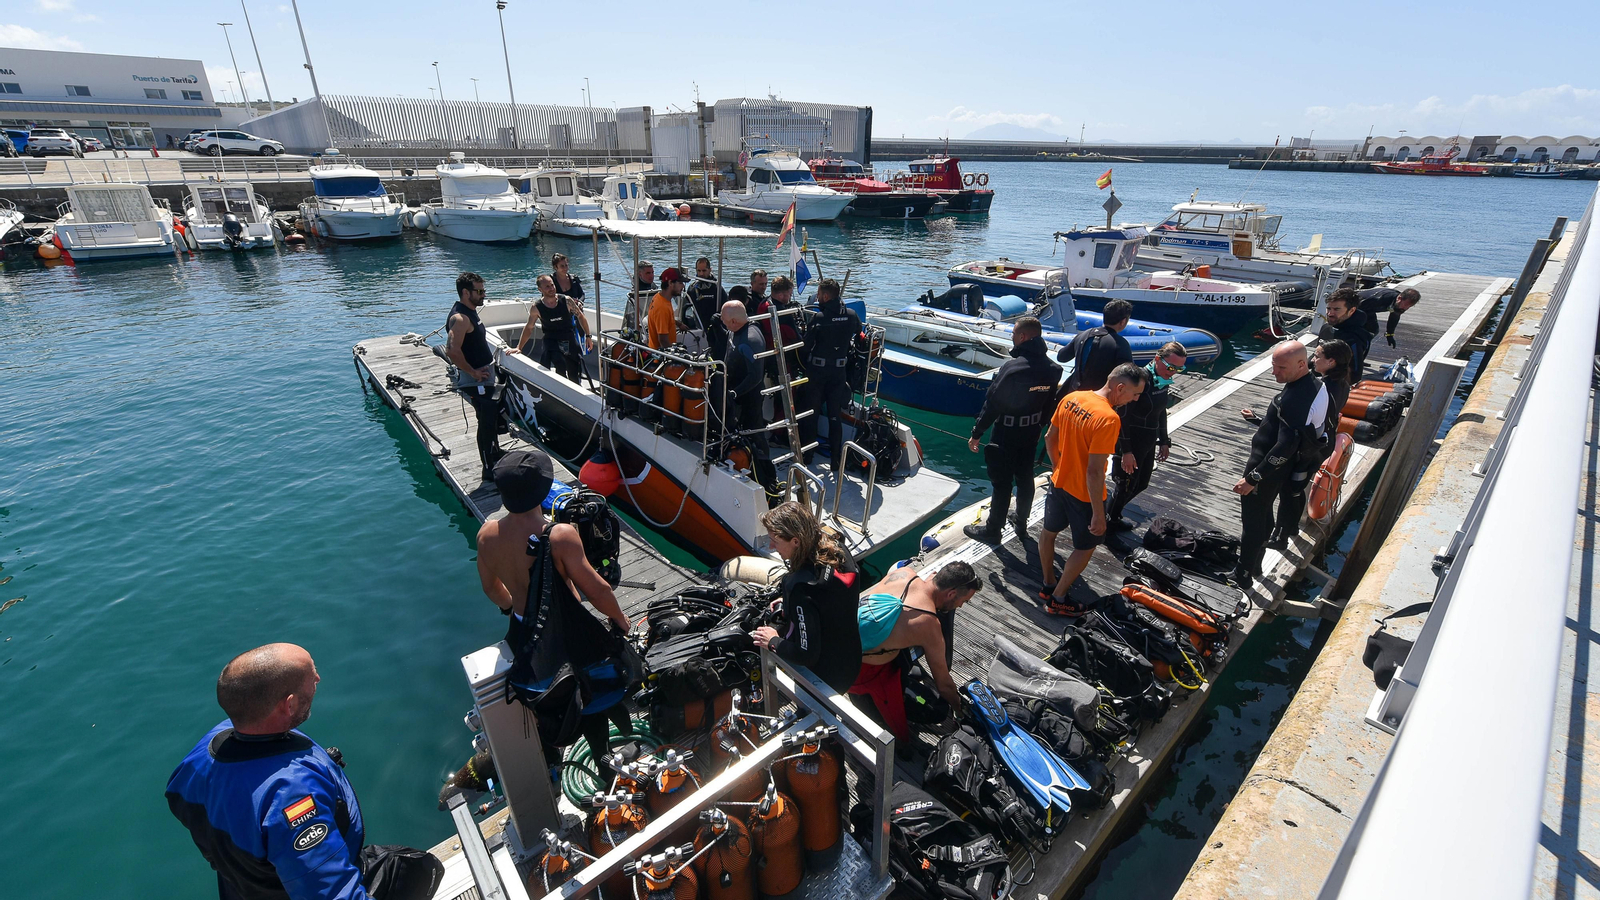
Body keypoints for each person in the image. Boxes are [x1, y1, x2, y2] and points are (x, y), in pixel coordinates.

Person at [166, 644, 441, 900]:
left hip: (244, 887)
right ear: (288, 705)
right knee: (422, 869)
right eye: (312, 677)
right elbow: (332, 893)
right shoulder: (292, 797)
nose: (318, 680)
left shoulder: (200, 757)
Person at [476, 450, 633, 779]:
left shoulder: (487, 535)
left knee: (541, 695)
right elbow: (597, 590)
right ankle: (603, 757)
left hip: (523, 632)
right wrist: (619, 619)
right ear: (543, 490)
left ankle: (551, 760)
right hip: (566, 632)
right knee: (587, 690)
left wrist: (511, 606)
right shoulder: (559, 534)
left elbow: (491, 588)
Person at [1038, 362, 1147, 615]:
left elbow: (1049, 438)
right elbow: (1095, 471)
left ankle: (1047, 583)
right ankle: (1058, 598)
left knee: (1048, 532)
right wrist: (1099, 514)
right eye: (1134, 394)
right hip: (1084, 495)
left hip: (1058, 483)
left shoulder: (1072, 397)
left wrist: (1058, 469)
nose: (1134, 400)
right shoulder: (1108, 419)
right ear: (1120, 388)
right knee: (1085, 546)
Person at [1231, 341, 1330, 584]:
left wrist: (1253, 478)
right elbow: (1302, 431)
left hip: (1266, 467)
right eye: (1273, 366)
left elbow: (1286, 445)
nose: (1275, 372)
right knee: (1264, 514)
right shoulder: (1317, 387)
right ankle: (1256, 567)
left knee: (1252, 521)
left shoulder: (1295, 398)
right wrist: (1260, 421)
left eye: (1281, 368)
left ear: (1300, 364)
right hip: (1282, 467)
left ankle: (1242, 575)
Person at [851, 562, 980, 741]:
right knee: (938, 713)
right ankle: (902, 742)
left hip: (847, 642)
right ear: (951, 594)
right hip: (864, 671)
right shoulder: (929, 625)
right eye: (963, 601)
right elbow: (944, 685)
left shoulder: (904, 573)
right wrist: (959, 709)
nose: (960, 606)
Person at [963, 316, 1062, 542]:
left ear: (1023, 337)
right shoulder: (1053, 369)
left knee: (1002, 483)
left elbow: (993, 405)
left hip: (1006, 434)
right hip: (1031, 433)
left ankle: (993, 530)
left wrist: (976, 434)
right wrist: (1039, 425)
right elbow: (1049, 404)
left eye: (1014, 334)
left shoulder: (1012, 368)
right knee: (1025, 478)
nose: (1012, 338)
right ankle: (1021, 521)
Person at [751, 502, 863, 693]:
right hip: (851, 661)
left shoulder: (802, 590)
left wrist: (773, 641)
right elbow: (829, 600)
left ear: (795, 541)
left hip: (825, 680)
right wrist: (791, 605)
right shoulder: (838, 551)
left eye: (775, 541)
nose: (771, 546)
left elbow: (806, 654)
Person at [1105, 342, 1186, 530]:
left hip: (1147, 441)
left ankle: (1112, 515)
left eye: (1179, 369)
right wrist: (1125, 451)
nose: (1173, 372)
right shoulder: (1140, 381)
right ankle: (1109, 524)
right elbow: (1122, 416)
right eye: (1171, 367)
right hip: (1130, 441)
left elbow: (1160, 412)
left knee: (1141, 484)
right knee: (1124, 485)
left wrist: (1164, 441)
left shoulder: (1163, 380)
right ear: (1158, 359)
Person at [800, 278, 866, 470]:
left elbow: (805, 346)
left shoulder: (819, 318)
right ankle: (836, 461)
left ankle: (808, 456)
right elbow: (858, 333)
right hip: (839, 372)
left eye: (819, 294)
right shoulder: (852, 315)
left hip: (818, 372)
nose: (818, 297)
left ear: (826, 296)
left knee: (812, 413)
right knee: (835, 416)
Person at [721, 300, 780, 499]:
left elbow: (755, 376)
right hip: (735, 396)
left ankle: (765, 479)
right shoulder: (736, 330)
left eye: (726, 321)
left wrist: (735, 393)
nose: (725, 325)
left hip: (748, 399)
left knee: (755, 435)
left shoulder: (750, 339)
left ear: (735, 321)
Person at [445, 272, 501, 483]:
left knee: (492, 415)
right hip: (476, 379)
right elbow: (452, 350)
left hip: (484, 375)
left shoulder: (471, 312)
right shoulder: (460, 318)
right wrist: (473, 372)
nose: (483, 294)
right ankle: (488, 468)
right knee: (485, 420)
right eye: (479, 291)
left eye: (483, 290)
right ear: (465, 292)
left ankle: (494, 452)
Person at [512, 275, 593, 383]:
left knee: (574, 371)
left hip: (568, 337)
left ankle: (575, 390)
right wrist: (519, 347)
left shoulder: (567, 301)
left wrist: (588, 336)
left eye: (552, 285)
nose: (551, 288)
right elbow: (529, 328)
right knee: (559, 362)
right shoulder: (536, 307)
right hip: (551, 340)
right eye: (547, 287)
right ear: (540, 289)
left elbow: (581, 317)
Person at [1058, 298, 1134, 394]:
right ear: (1123, 321)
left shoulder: (1083, 335)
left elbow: (1061, 357)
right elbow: (1128, 376)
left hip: (1073, 394)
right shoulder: (1121, 344)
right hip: (1097, 399)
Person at [754, 274, 805, 381]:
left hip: (767, 353)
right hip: (783, 358)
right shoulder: (783, 314)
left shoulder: (764, 303)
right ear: (781, 295)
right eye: (790, 295)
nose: (790, 298)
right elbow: (796, 338)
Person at [1318, 288, 1373, 377]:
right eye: (1328, 308)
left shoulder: (1355, 337)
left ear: (1351, 311)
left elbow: (1355, 374)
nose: (1330, 313)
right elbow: (1317, 356)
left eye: (1336, 309)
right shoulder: (1326, 328)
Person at [686, 256, 728, 359]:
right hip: (699, 327)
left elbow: (725, 308)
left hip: (715, 327)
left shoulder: (717, 288)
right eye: (698, 271)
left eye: (704, 270)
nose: (701, 274)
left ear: (710, 270)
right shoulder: (692, 289)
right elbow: (686, 308)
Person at [1357, 286, 1421, 348]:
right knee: (1359, 328)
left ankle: (1361, 348)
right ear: (1399, 298)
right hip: (1357, 305)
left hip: (1369, 310)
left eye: (1409, 307)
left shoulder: (1398, 305)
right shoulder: (1379, 299)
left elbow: (1394, 317)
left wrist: (1390, 334)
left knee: (1373, 330)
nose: (1405, 308)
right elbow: (1355, 308)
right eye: (1406, 305)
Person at [1313, 339, 1353, 432]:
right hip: (1329, 434)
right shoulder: (1345, 385)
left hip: (1315, 437)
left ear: (1331, 361)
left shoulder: (1320, 387)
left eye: (1316, 356)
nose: (1312, 360)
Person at [647, 268, 684, 350]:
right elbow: (663, 340)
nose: (683, 286)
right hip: (659, 358)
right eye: (680, 283)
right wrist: (675, 357)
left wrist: (679, 324)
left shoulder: (659, 297)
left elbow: (665, 320)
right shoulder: (662, 307)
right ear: (670, 283)